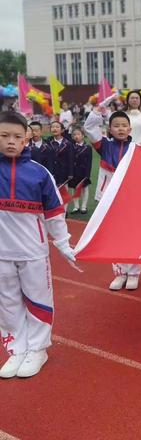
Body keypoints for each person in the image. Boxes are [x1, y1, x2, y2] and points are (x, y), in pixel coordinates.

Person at [0, 111, 75, 378]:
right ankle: (16, 348)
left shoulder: (39, 173)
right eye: (4, 135)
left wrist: (64, 244)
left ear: (26, 139)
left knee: (38, 300)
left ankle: (38, 349)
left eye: (17, 136)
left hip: (33, 251)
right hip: (1, 255)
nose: (11, 141)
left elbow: (55, 212)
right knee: (7, 304)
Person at [84, 104, 141, 291]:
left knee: (133, 235)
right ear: (109, 129)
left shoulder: (136, 148)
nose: (120, 129)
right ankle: (120, 273)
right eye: (116, 125)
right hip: (109, 198)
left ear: (130, 129)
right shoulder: (104, 145)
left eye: (124, 125)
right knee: (113, 236)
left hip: (131, 198)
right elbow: (89, 129)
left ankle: (133, 273)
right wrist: (97, 112)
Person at [69, 128, 92, 214]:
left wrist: (87, 175)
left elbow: (89, 162)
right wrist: (70, 172)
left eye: (78, 134)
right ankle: (76, 206)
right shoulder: (71, 146)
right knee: (74, 188)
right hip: (74, 171)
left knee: (84, 188)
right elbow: (70, 160)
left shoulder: (87, 147)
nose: (76, 136)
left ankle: (84, 206)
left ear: (83, 136)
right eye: (74, 134)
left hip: (83, 171)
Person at [48, 121, 74, 187]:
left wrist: (70, 173)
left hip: (63, 172)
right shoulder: (48, 142)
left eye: (57, 127)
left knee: (63, 194)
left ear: (62, 130)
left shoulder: (68, 143)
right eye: (53, 127)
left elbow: (70, 159)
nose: (54, 129)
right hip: (51, 171)